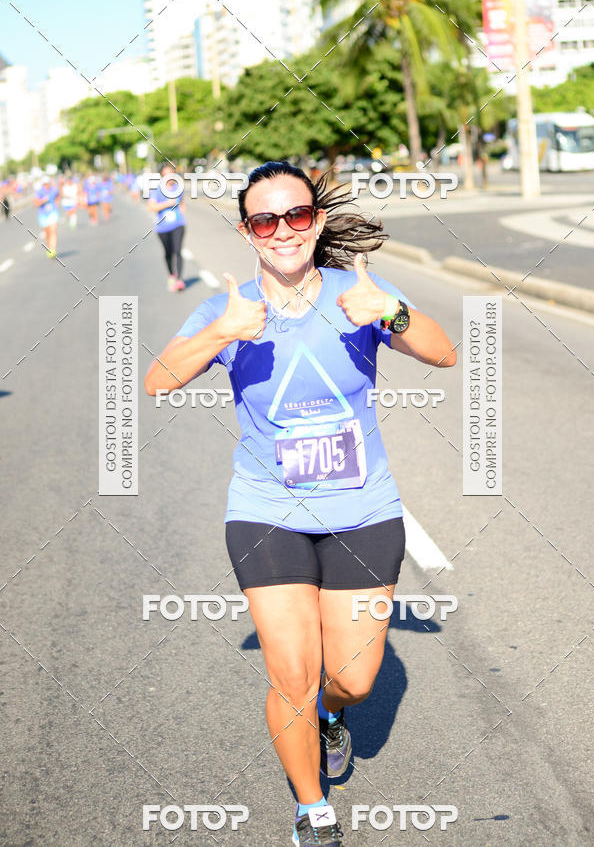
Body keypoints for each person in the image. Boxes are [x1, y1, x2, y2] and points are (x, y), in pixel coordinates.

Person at [144, 160, 456, 846]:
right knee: (292, 672)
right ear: (247, 231)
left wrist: (392, 312)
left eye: (297, 214)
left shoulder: (359, 293)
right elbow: (157, 381)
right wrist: (224, 331)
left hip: (363, 512)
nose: (282, 230)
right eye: (265, 219)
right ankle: (313, 807)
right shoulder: (227, 309)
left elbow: (444, 353)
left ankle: (332, 714)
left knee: (352, 677)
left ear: (315, 219)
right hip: (266, 513)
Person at [147, 162, 186, 292]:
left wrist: (181, 209)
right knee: (168, 253)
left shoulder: (178, 188)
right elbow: (151, 207)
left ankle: (179, 280)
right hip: (162, 227)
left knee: (178, 251)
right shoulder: (157, 190)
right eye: (166, 175)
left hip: (178, 224)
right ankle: (171, 275)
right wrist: (167, 204)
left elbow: (182, 202)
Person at [35, 176, 60, 258]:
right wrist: (43, 201)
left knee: (53, 231)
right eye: (45, 184)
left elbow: (57, 196)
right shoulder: (39, 192)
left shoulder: (54, 189)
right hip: (43, 214)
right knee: (47, 233)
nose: (46, 185)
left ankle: (53, 249)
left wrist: (56, 203)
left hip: (53, 212)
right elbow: (36, 204)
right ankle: (49, 248)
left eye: (47, 184)